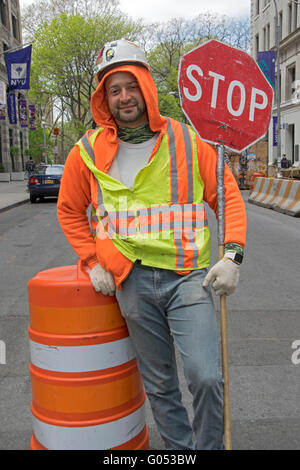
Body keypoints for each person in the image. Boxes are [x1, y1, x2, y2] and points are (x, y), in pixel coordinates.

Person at [57, 39, 247, 450]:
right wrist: (92, 261)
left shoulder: (186, 140)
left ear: (146, 86)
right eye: (114, 88)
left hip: (188, 280)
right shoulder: (86, 151)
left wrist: (233, 255)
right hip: (131, 281)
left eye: (131, 85)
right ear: (103, 96)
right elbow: (70, 211)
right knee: (160, 384)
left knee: (206, 377)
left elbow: (227, 196)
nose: (124, 96)